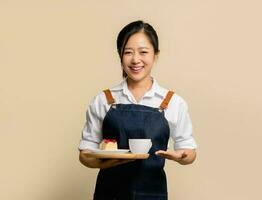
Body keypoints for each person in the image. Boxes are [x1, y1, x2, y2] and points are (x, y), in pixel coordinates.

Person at [78, 20, 197, 200]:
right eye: (128, 52)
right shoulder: (104, 100)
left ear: (155, 55)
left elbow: (189, 152)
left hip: (152, 194)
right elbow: (85, 154)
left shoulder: (173, 102)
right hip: (110, 194)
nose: (135, 60)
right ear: (120, 55)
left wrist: (181, 156)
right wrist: (106, 162)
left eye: (143, 52)